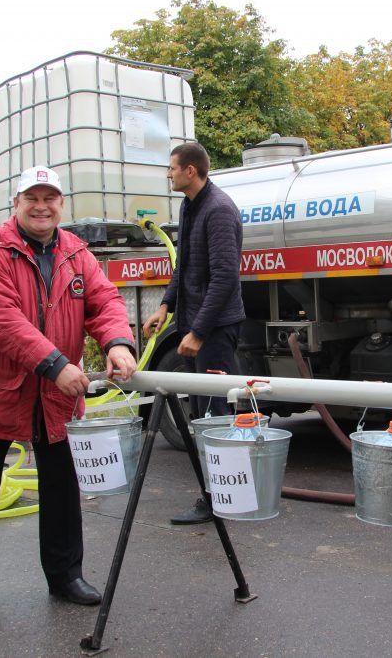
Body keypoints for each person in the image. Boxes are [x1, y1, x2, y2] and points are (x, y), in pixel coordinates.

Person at [0, 165, 137, 618]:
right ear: (17, 203)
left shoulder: (76, 252)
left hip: (55, 397)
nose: (42, 206)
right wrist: (55, 365)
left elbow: (104, 301)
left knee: (62, 489)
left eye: (50, 198)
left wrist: (118, 343)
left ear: (61, 205)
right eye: (33, 198)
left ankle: (66, 576)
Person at [143, 142, 245, 526]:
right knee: (204, 412)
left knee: (214, 416)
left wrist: (199, 333)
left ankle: (218, 500)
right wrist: (165, 307)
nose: (168, 174)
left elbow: (224, 279)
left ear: (190, 170)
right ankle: (222, 493)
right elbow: (182, 266)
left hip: (216, 330)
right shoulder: (190, 206)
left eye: (171, 168)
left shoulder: (218, 211)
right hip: (199, 323)